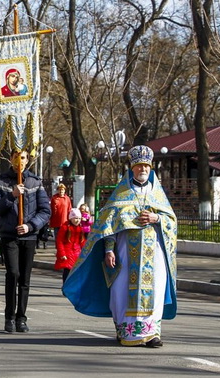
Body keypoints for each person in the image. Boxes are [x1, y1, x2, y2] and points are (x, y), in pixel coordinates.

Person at [63, 145, 177, 348]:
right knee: (122, 289)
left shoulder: (158, 195)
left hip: (154, 253)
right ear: (131, 168)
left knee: (156, 288)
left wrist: (156, 217)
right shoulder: (121, 194)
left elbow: (171, 222)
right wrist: (108, 249)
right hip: (125, 252)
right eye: (139, 166)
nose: (142, 169)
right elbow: (108, 226)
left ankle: (152, 334)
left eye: (146, 166)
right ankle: (126, 330)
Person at [0, 149, 50, 334]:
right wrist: (11, 196)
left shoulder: (35, 182)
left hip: (29, 236)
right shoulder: (1, 182)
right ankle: (9, 316)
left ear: (27, 159)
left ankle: (21, 318)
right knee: (13, 274)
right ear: (11, 159)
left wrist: (31, 226)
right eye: (16, 157)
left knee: (25, 278)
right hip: (9, 235)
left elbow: (45, 211)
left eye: (23, 157)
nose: (20, 161)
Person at [54, 208, 85, 282]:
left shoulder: (80, 228)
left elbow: (82, 241)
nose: (77, 220)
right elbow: (59, 241)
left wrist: (84, 251)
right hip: (67, 253)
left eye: (79, 218)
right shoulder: (65, 227)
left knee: (76, 273)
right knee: (67, 271)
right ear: (71, 218)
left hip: (77, 253)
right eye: (75, 218)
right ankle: (66, 287)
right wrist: (62, 254)